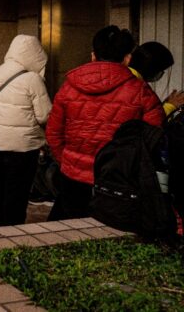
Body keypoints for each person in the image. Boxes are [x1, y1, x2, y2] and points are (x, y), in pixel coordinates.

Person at [46, 26, 165, 220]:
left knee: (69, 232)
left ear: (93, 55)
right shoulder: (141, 91)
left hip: (72, 175)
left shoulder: (68, 87)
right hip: (119, 180)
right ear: (127, 58)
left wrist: (67, 161)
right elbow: (154, 137)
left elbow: (53, 133)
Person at [0, 35, 52, 227]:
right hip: (22, 148)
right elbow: (44, 115)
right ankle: (12, 230)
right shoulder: (33, 79)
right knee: (17, 190)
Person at [129, 41, 184, 116]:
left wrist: (159, 106)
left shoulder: (119, 76)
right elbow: (148, 122)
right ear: (152, 69)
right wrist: (170, 106)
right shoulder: (140, 90)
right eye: (160, 71)